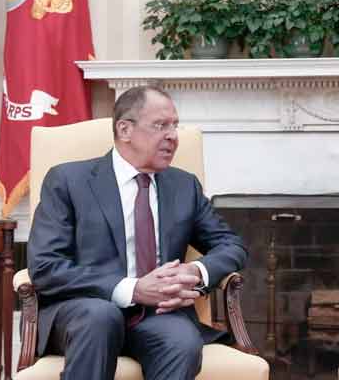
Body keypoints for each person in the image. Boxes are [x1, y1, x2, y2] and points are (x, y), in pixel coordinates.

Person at [27, 85, 247, 380]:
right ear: (125, 129)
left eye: (175, 126)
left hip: (158, 315)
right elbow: (46, 266)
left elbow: (231, 245)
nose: (173, 136)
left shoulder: (183, 186)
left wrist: (196, 272)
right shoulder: (68, 181)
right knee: (100, 317)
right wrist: (133, 289)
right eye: (160, 125)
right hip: (84, 311)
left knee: (182, 341)